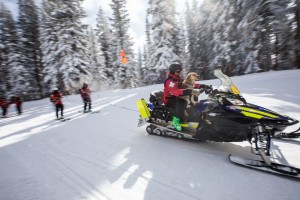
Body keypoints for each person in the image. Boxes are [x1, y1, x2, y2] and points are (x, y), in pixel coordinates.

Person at [162, 62, 211, 131]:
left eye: (180, 71)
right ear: (173, 71)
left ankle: (192, 116)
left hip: (178, 96)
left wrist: (202, 86)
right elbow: (175, 91)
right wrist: (186, 91)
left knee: (193, 98)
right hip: (170, 99)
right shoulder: (170, 81)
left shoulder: (178, 79)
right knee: (181, 102)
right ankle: (176, 122)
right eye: (178, 71)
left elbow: (188, 84)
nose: (179, 73)